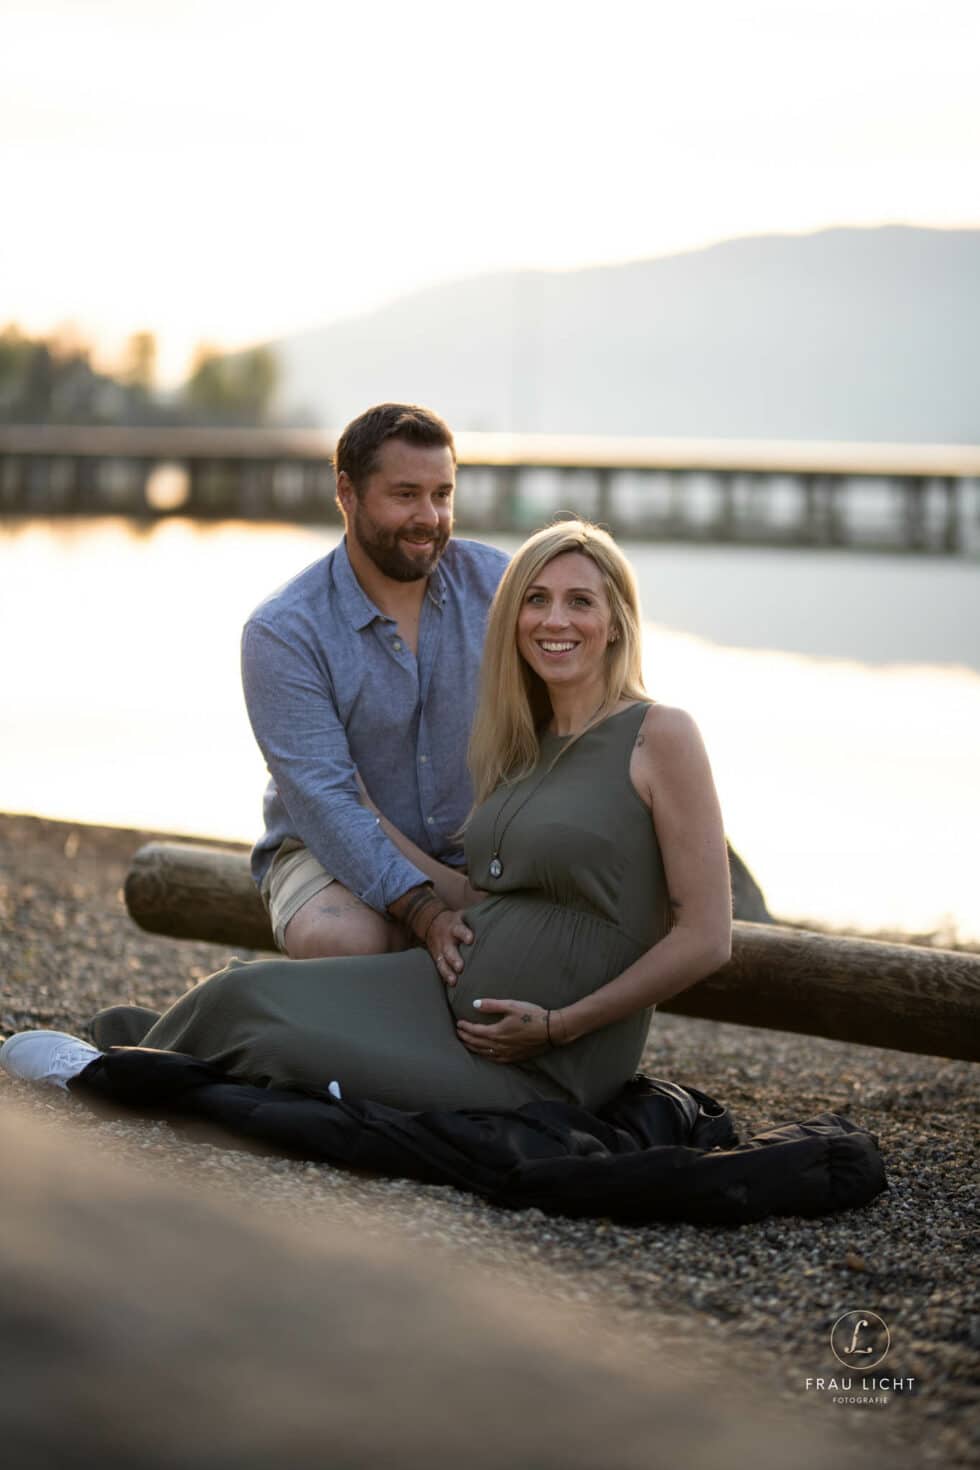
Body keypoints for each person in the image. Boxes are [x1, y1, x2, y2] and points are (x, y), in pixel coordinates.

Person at [1, 521, 733, 1116]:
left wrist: (559, 1026)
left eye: (580, 602)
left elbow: (706, 937)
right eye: (535, 600)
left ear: (616, 623)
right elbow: (481, 899)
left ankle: (99, 1078)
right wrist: (367, 817)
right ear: (511, 622)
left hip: (542, 1059)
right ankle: (123, 1059)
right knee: (239, 993)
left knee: (262, 1029)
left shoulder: (660, 734)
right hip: (443, 996)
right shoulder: (525, 745)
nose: (554, 620)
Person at [242, 401, 508, 969]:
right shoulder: (284, 632)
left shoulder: (500, 587)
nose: (430, 517)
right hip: (323, 848)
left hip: (479, 850)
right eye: (405, 494)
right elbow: (327, 804)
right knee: (343, 940)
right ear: (347, 492)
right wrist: (428, 910)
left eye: (442, 494)